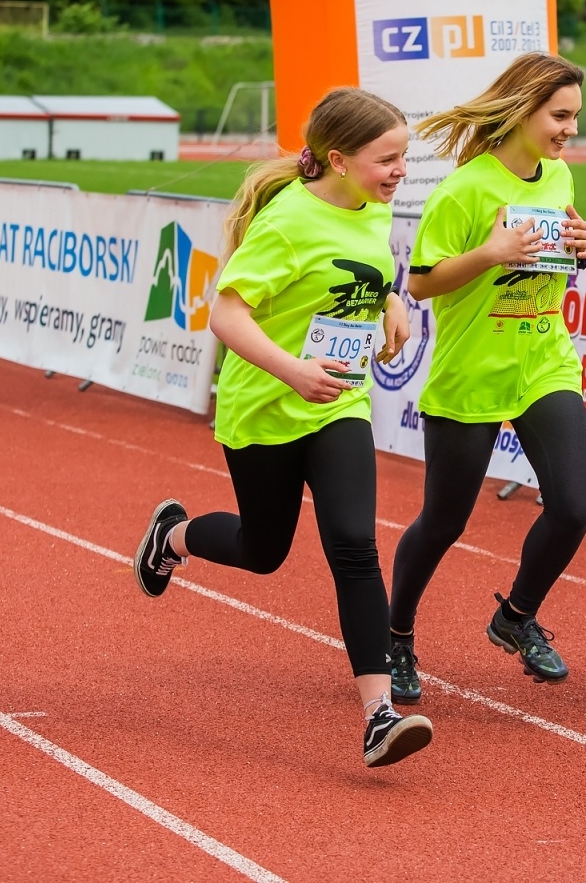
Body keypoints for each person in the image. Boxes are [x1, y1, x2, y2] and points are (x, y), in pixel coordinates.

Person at [133, 87, 432, 768]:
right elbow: (228, 315)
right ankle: (172, 535)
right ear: (337, 158)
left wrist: (391, 300)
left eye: (403, 159)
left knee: (355, 546)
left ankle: (378, 718)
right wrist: (292, 370)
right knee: (264, 550)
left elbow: (363, 269)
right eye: (387, 159)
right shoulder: (287, 222)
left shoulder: (368, 209)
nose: (399, 172)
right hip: (265, 407)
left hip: (337, 403)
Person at [386, 52, 586, 702]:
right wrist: (490, 253)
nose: (569, 130)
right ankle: (394, 638)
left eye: (574, 118)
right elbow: (419, 285)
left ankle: (516, 616)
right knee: (444, 521)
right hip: (472, 370)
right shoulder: (466, 189)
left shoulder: (558, 177)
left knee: (573, 506)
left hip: (543, 361)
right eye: (559, 116)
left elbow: (558, 259)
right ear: (523, 109)